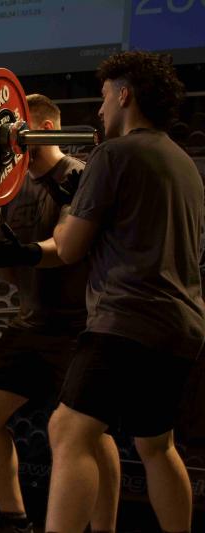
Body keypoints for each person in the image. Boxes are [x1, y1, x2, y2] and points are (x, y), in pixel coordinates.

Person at [45, 51, 204, 532]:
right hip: (180, 326)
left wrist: (52, 225)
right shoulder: (183, 163)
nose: (99, 110)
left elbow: (69, 248)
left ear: (124, 95)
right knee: (156, 444)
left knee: (69, 429)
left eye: (103, 98)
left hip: (126, 320)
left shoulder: (113, 155)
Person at [0, 94, 120, 533]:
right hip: (32, 323)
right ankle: (15, 521)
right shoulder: (13, 187)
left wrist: (22, 253)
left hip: (79, 327)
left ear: (46, 129)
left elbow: (65, 246)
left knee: (91, 433)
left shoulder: (78, 177)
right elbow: (19, 272)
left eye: (16, 132)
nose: (5, 141)